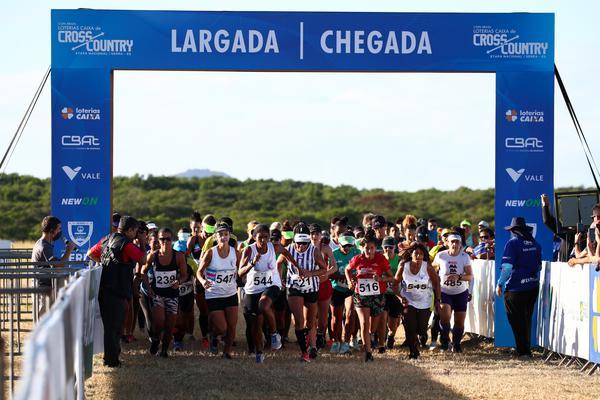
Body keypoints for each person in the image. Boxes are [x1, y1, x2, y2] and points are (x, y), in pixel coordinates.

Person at [89, 216, 145, 367]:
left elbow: (91, 253)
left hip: (105, 289)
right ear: (131, 230)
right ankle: (111, 361)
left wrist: (106, 265)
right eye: (136, 231)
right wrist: (143, 242)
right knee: (114, 328)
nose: (136, 234)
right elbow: (143, 259)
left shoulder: (107, 238)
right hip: (116, 291)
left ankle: (111, 358)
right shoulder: (127, 245)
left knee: (111, 327)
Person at [240, 224, 298, 363]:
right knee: (256, 324)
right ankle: (259, 352)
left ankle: (274, 334)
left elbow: (286, 253)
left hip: (272, 284)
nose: (263, 240)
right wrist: (252, 263)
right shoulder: (249, 250)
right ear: (254, 237)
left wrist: (297, 267)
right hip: (253, 289)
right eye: (260, 237)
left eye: (266, 237)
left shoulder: (273, 247)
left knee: (264, 306)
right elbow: (240, 272)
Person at [279, 222, 328, 362]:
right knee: (299, 321)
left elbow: (324, 269)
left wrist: (310, 273)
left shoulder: (314, 251)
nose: (301, 246)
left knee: (310, 322)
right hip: (294, 288)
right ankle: (304, 352)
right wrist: (280, 280)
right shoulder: (288, 249)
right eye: (298, 243)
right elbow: (278, 263)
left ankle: (312, 345)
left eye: (304, 243)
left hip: (311, 288)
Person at [496, 217, 542, 358]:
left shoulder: (513, 244)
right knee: (526, 319)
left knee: (516, 320)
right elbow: (539, 266)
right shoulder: (535, 244)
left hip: (516, 288)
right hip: (532, 286)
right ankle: (525, 350)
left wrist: (499, 283)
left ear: (514, 231)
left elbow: (507, 268)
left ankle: (523, 352)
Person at [345, 229, 393, 362]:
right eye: (366, 248)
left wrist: (381, 279)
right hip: (361, 295)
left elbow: (391, 278)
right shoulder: (358, 259)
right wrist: (350, 281)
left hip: (377, 295)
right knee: (364, 323)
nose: (369, 251)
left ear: (376, 248)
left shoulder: (381, 259)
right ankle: (368, 352)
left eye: (371, 248)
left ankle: (370, 337)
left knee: (373, 327)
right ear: (363, 248)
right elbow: (347, 269)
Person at [196, 222, 240, 358]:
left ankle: (226, 352)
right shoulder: (210, 253)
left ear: (229, 236)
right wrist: (203, 281)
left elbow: (241, 270)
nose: (223, 237)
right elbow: (199, 272)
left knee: (232, 327)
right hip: (214, 294)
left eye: (226, 234)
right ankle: (213, 336)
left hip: (231, 294)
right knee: (222, 328)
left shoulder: (235, 253)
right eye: (220, 235)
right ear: (216, 236)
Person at [142, 228, 188, 357]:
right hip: (158, 294)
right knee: (159, 321)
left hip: (172, 295)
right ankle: (156, 340)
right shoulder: (153, 255)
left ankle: (164, 350)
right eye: (162, 239)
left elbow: (184, 275)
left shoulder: (178, 256)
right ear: (158, 240)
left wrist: (179, 282)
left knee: (169, 326)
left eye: (168, 239)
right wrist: (148, 287)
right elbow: (143, 272)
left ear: (171, 240)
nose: (165, 242)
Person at [396, 242, 441, 359]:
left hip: (425, 301)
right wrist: (401, 298)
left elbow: (436, 283)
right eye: (416, 253)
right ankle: (413, 352)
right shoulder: (403, 265)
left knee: (421, 330)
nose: (419, 256)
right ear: (411, 254)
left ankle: (416, 343)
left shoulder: (427, 267)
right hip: (408, 300)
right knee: (410, 327)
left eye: (421, 254)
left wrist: (437, 300)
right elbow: (395, 284)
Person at [433, 233, 473, 352]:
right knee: (445, 317)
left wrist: (458, 277)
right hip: (445, 291)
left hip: (460, 292)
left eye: (457, 242)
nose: (455, 244)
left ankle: (456, 344)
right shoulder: (441, 255)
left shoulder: (464, 257)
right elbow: (433, 269)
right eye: (452, 242)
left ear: (461, 244)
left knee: (459, 321)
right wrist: (435, 279)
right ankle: (445, 341)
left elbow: (470, 276)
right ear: (448, 243)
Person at [31, 215, 76, 314]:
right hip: (42, 289)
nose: (60, 232)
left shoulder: (45, 244)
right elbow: (58, 265)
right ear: (52, 230)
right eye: (58, 229)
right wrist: (68, 251)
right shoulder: (44, 246)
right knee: (43, 322)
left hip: (45, 287)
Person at [330, 232, 361, 354]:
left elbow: (360, 270)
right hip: (336, 288)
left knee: (350, 313)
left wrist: (352, 278)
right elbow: (330, 273)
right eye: (344, 246)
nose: (347, 248)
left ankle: (346, 342)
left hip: (351, 289)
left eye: (349, 245)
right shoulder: (334, 253)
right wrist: (341, 276)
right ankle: (336, 341)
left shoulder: (357, 253)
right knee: (336, 317)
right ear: (339, 244)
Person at [309, 223, 337, 351]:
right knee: (310, 316)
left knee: (323, 318)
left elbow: (334, 267)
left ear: (321, 236)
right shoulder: (304, 247)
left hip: (324, 284)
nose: (315, 236)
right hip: (309, 285)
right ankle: (311, 340)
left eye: (317, 234)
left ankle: (321, 335)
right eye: (312, 234)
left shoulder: (326, 248)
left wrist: (326, 273)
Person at [381, 236, 402, 350]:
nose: (388, 249)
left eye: (390, 247)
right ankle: (382, 340)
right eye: (385, 247)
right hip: (383, 293)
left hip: (395, 294)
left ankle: (391, 336)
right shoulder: (379, 259)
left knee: (393, 323)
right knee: (382, 318)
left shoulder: (399, 260)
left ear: (395, 248)